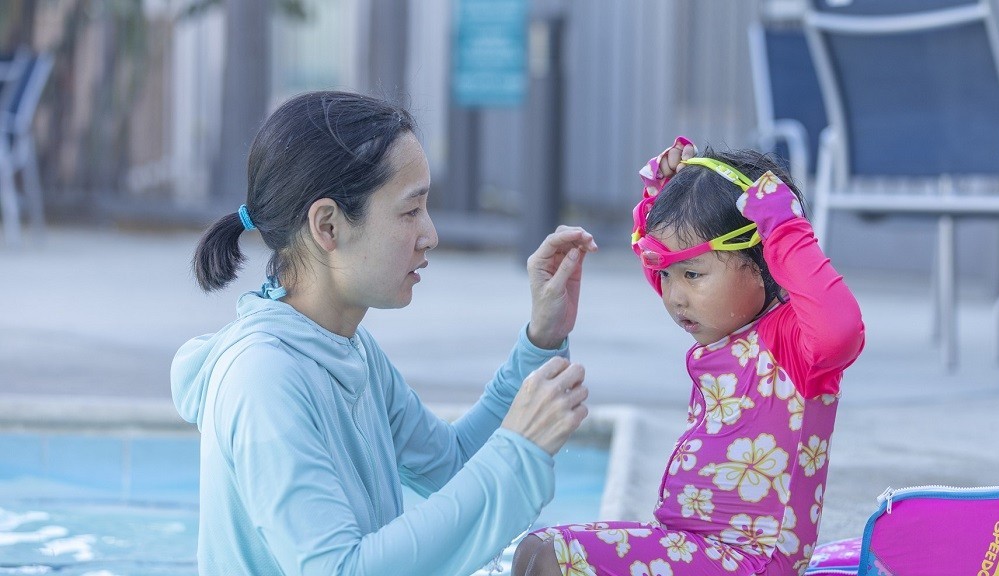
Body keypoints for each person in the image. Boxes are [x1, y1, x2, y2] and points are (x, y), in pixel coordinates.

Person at [169, 90, 598, 576]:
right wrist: (516, 450)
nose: (430, 234)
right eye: (410, 211)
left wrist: (541, 338)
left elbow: (453, 464)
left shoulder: (347, 348)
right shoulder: (262, 380)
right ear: (328, 225)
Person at [512, 136, 865, 575]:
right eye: (666, 275)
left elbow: (841, 331)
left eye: (692, 274)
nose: (673, 295)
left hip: (750, 562)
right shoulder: (722, 327)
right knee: (532, 548)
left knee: (552, 557)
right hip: (695, 549)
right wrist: (658, 198)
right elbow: (671, 267)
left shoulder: (791, 344)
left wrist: (785, 229)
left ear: (762, 261)